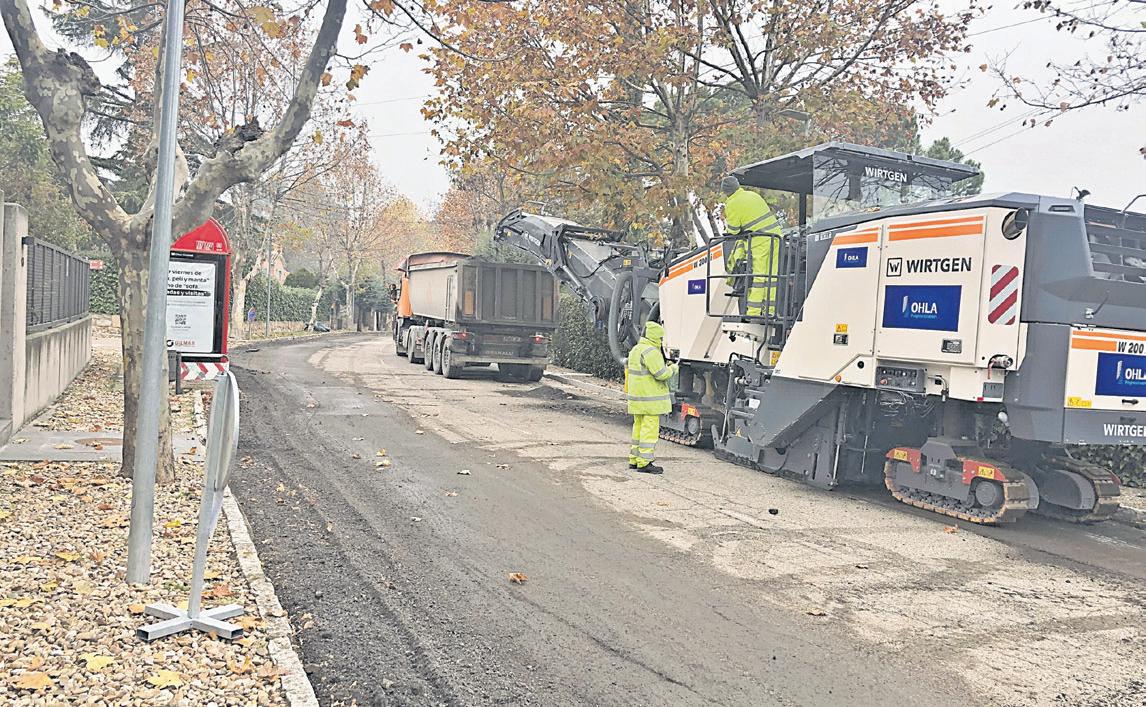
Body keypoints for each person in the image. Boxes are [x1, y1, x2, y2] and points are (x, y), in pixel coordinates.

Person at [721, 175, 782, 317]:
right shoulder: (753, 195)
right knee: (772, 276)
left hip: (760, 241)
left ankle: (754, 312)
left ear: (726, 191)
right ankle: (769, 311)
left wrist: (731, 233)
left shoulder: (732, 203)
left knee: (758, 277)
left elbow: (733, 230)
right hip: (776, 238)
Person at [626, 321, 678, 474]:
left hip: (637, 399)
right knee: (649, 431)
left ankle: (634, 460)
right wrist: (673, 368)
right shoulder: (651, 352)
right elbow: (661, 374)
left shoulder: (636, 350)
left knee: (638, 429)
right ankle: (644, 463)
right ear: (655, 337)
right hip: (650, 401)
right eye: (661, 338)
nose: (662, 341)